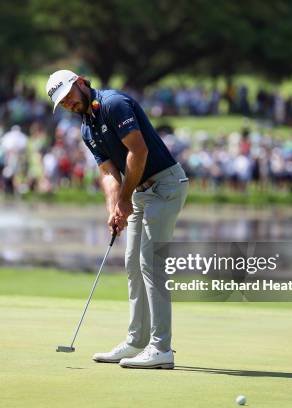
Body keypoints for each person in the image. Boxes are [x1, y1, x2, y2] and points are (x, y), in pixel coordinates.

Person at [45, 70, 188, 369]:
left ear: (82, 83)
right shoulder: (87, 129)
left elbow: (139, 151)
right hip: (138, 191)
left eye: (70, 95)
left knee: (151, 263)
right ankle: (137, 341)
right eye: (63, 103)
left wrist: (125, 199)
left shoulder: (113, 104)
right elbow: (109, 172)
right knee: (132, 264)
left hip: (166, 185)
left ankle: (161, 348)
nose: (69, 103)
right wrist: (114, 208)